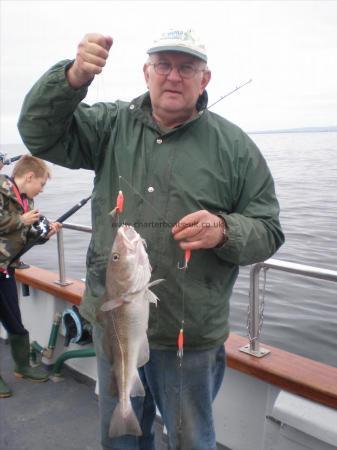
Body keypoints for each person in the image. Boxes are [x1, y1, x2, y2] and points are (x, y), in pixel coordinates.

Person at [17, 29, 284, 449]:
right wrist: (71, 79)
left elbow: (269, 230)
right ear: (146, 73)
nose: (173, 76)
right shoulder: (109, 125)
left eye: (186, 68)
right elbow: (39, 133)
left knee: (191, 440)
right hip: (114, 326)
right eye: (163, 65)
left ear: (205, 79)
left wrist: (225, 231)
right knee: (120, 438)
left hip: (191, 335)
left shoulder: (236, 148)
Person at [0, 155, 61, 398]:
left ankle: (23, 366)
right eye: (42, 183)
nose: (42, 189)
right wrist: (20, 220)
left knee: (14, 319)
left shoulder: (26, 199)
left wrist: (46, 232)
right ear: (29, 177)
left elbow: (27, 233)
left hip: (6, 267)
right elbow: (16, 223)